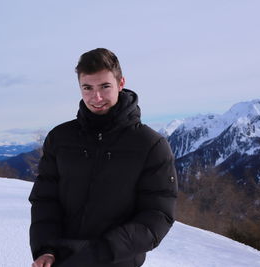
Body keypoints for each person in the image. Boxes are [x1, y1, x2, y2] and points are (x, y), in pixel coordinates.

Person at [29, 48, 178, 267]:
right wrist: (45, 249)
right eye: (87, 88)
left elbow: (157, 215)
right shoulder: (60, 139)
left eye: (105, 86)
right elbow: (45, 200)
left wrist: (100, 252)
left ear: (120, 83)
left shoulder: (150, 145)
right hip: (62, 261)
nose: (96, 97)